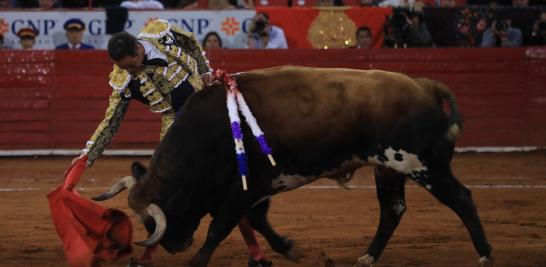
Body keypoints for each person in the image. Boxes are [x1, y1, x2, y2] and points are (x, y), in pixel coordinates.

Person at [72, 19, 271, 267]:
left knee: (229, 183)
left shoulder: (159, 31)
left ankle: (255, 252)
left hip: (209, 110)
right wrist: (86, 156)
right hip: (175, 128)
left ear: (138, 49)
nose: (131, 72)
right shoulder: (123, 78)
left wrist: (205, 70)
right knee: (165, 193)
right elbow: (111, 121)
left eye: (132, 66)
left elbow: (191, 42)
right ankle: (148, 255)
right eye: (126, 69)